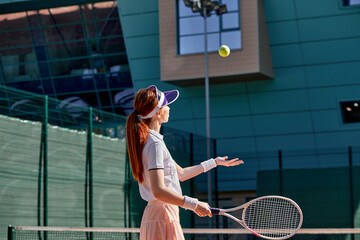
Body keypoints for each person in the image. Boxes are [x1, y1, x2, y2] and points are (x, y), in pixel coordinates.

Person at [126, 85, 244, 240]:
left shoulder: (150, 141)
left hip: (158, 216)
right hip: (163, 216)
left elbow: (180, 174)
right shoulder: (154, 144)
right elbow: (159, 191)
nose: (169, 108)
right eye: (167, 105)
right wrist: (194, 204)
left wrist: (214, 162)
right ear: (158, 113)